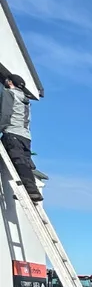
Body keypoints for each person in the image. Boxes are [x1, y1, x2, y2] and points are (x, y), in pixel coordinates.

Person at [0, 72, 41, 202]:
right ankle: (28, 191)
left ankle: (31, 191)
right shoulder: (25, 99)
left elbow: (5, 113)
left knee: (18, 161)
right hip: (25, 136)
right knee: (24, 163)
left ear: (10, 82)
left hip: (12, 133)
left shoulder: (9, 93)